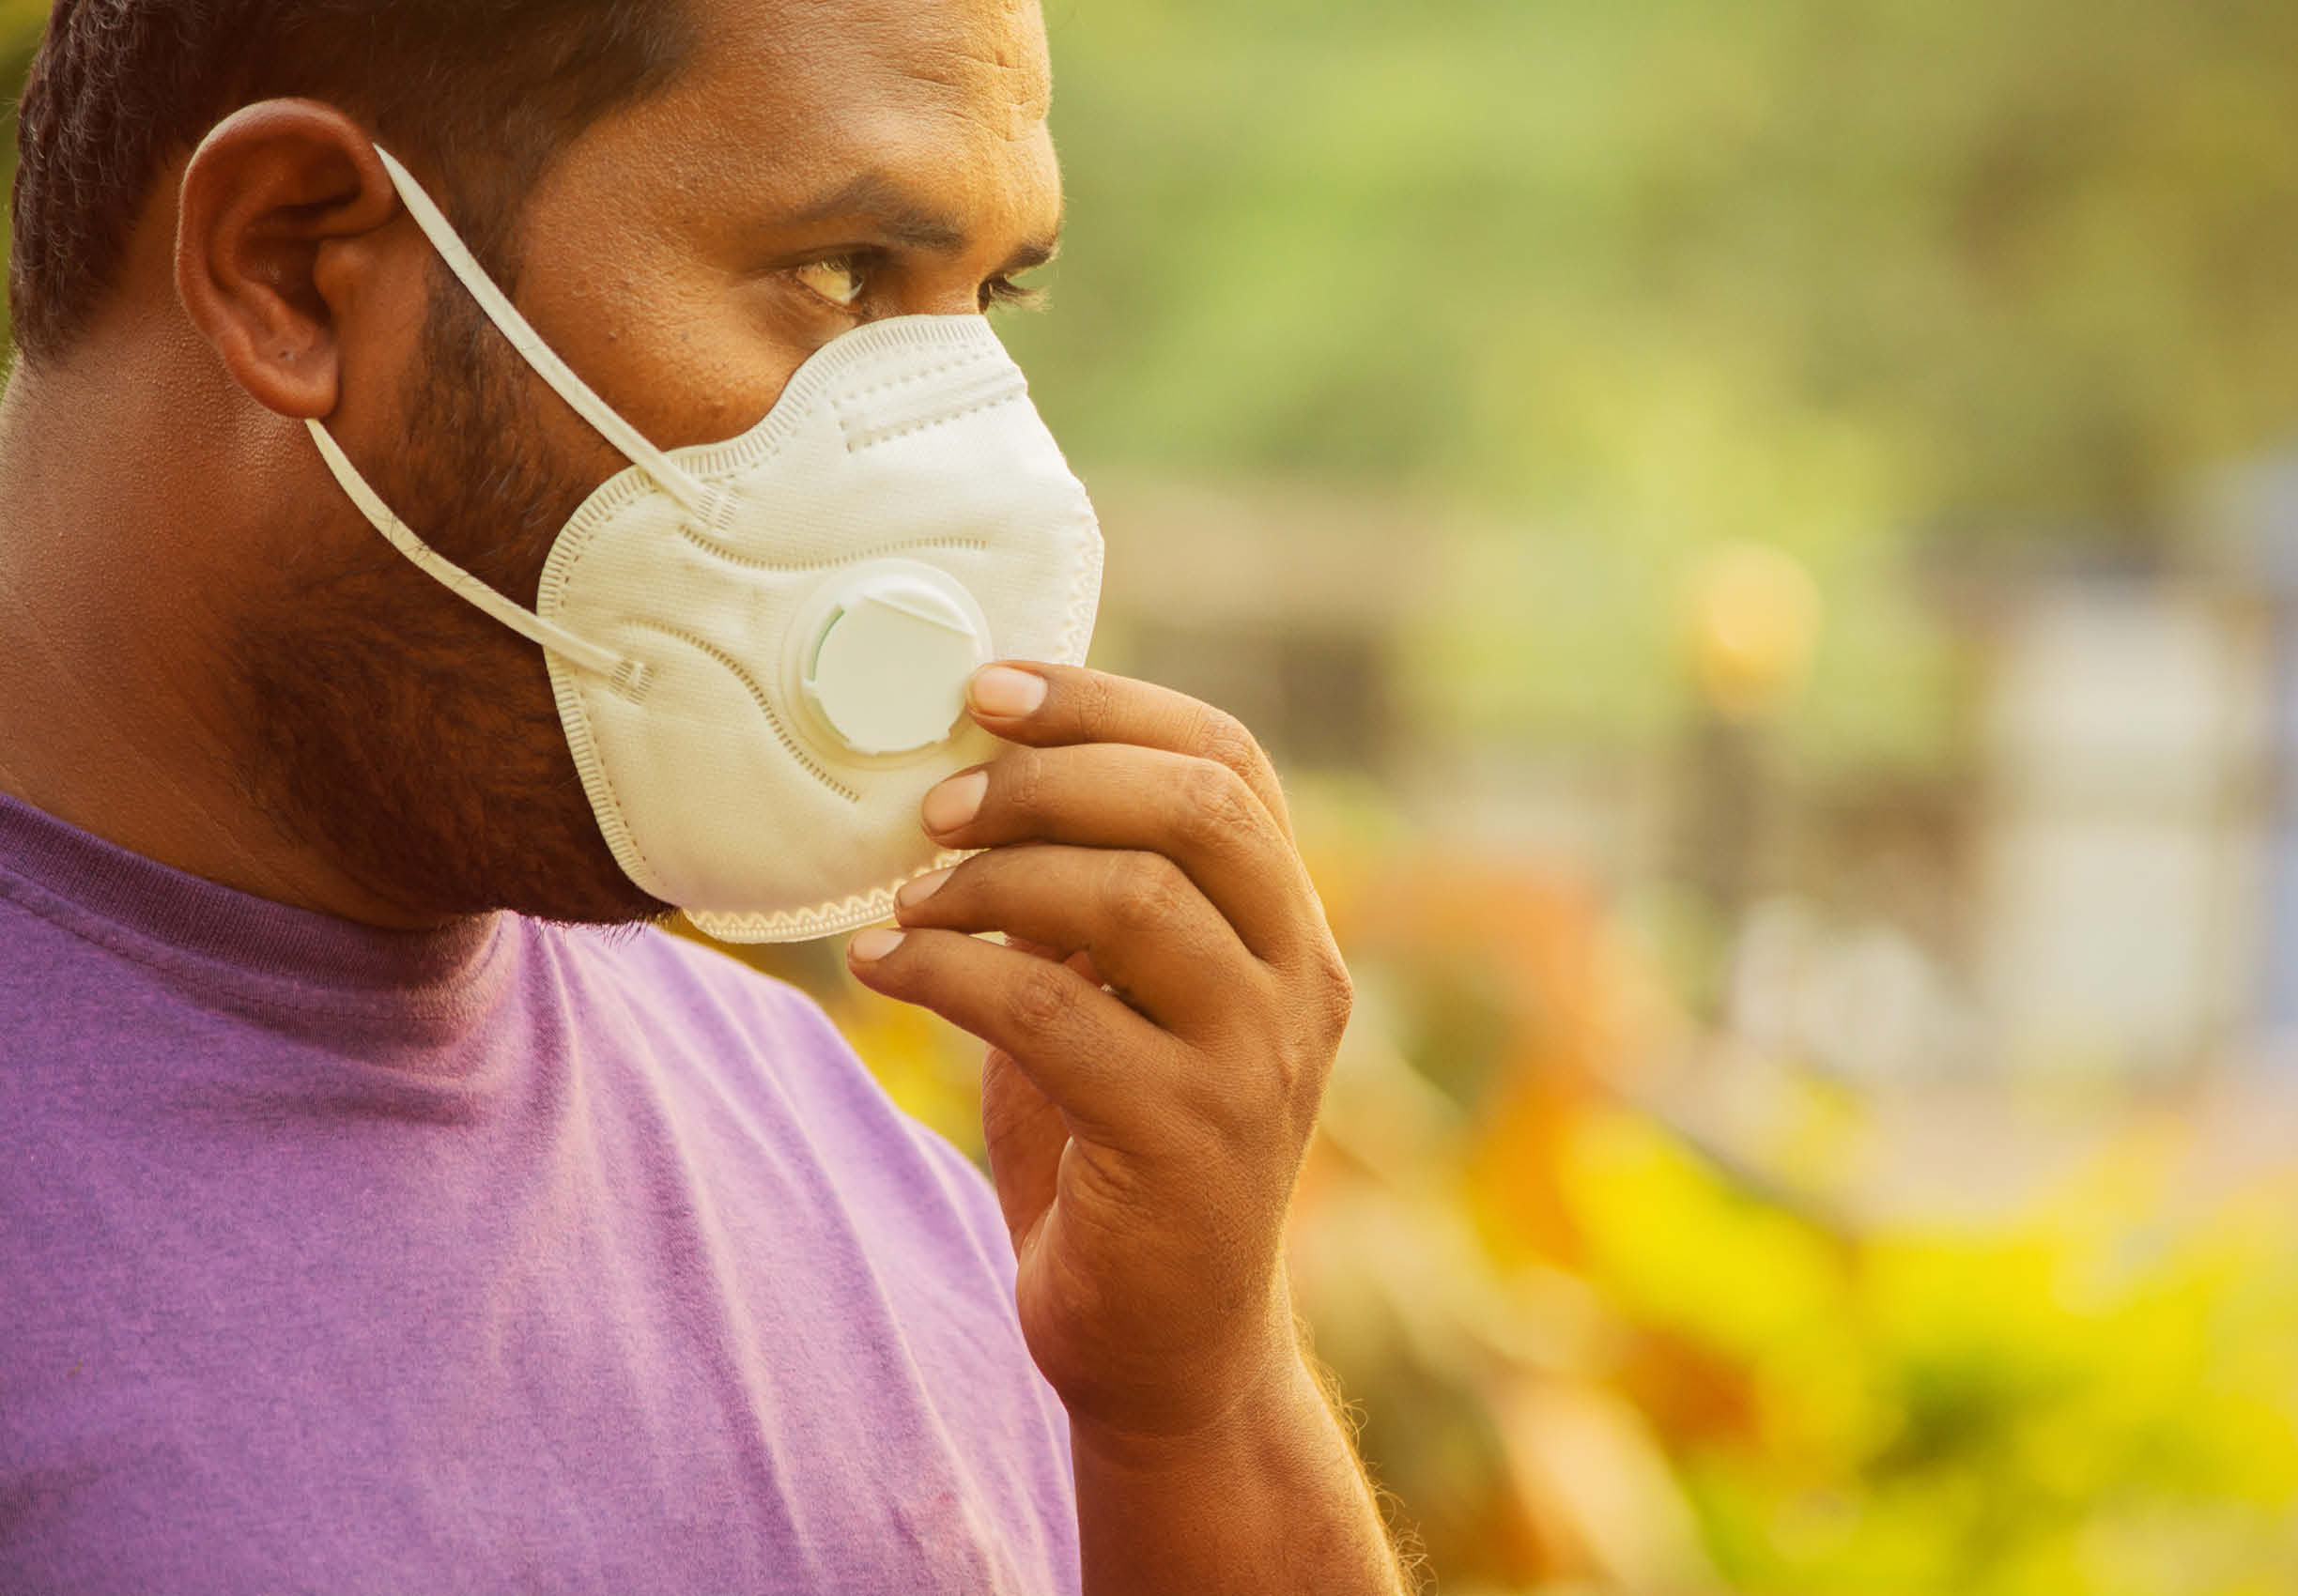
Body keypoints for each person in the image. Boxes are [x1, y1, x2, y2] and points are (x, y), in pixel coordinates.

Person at [0, 1, 1411, 1592]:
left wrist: (1199, 1414)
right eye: (842, 274)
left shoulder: (871, 1181)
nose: (980, 464)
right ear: (292, 265)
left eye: (989, 297)